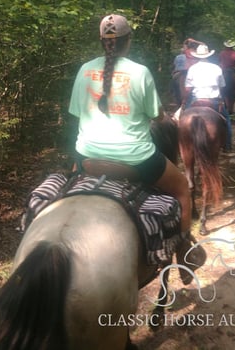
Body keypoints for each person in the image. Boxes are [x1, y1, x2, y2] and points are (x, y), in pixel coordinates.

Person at [68, 14, 205, 277]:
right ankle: (185, 252)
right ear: (127, 41)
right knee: (183, 190)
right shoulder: (140, 72)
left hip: (87, 156)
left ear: (101, 41)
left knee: (68, 181)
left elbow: (77, 114)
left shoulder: (84, 70)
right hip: (136, 160)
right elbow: (157, 117)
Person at [183, 43, 234, 155]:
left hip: (196, 99)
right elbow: (222, 86)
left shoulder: (192, 68)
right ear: (208, 55)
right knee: (226, 120)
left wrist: (184, 103)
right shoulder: (216, 68)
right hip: (213, 100)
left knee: (182, 118)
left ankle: (182, 144)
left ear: (197, 56)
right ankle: (228, 145)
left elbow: (187, 89)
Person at [218, 39, 235, 114]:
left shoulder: (221, 53)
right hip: (233, 68)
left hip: (223, 69)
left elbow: (219, 61)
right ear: (232, 46)